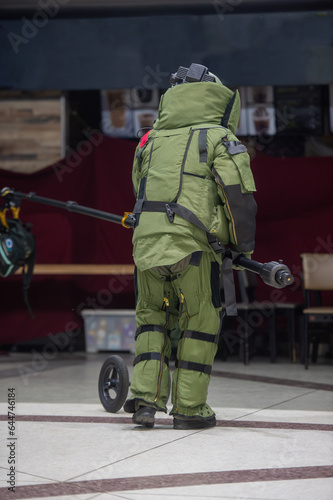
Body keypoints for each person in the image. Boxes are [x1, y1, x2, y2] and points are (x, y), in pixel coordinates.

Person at [123, 63, 257, 429]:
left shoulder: (149, 139)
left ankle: (144, 403)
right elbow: (238, 198)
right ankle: (189, 409)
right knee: (199, 321)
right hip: (194, 247)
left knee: (151, 321)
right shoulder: (219, 138)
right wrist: (241, 247)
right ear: (219, 99)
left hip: (146, 248)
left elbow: (141, 190)